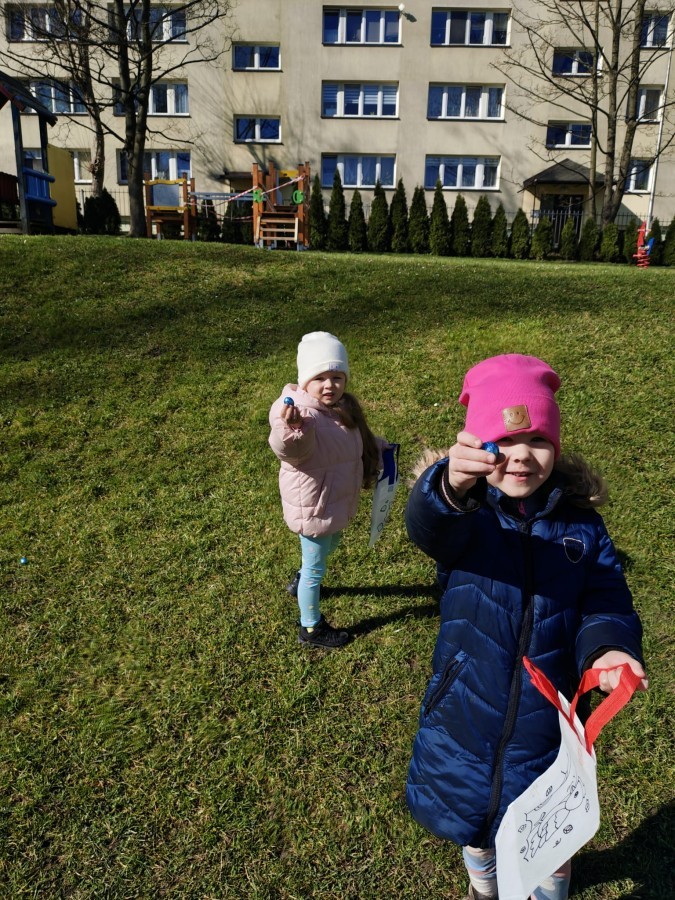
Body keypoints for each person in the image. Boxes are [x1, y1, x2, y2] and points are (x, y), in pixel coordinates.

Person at [404, 354, 647, 900]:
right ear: (476, 449)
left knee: (550, 841)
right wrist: (448, 486)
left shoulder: (582, 526)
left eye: (537, 440)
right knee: (475, 829)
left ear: (556, 448)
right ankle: (484, 888)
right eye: (503, 441)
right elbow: (427, 527)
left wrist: (608, 647)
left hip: (547, 729)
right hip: (464, 715)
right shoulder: (466, 517)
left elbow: (606, 598)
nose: (520, 455)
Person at [269, 332, 387, 649]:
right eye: (319, 378)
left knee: (331, 543)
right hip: (314, 506)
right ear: (305, 381)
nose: (329, 385)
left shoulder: (340, 408)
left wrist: (379, 448)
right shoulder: (300, 415)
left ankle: (301, 579)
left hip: (332, 502)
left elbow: (352, 442)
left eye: (337, 377)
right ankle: (310, 627)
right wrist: (293, 428)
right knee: (315, 570)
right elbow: (290, 449)